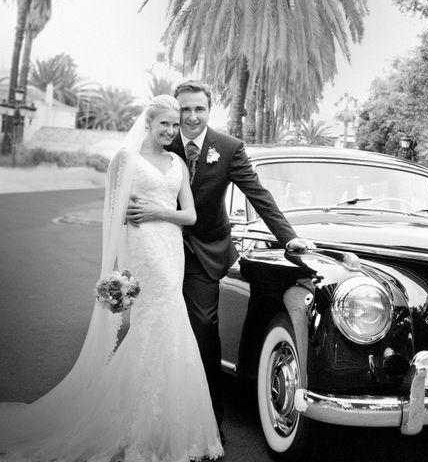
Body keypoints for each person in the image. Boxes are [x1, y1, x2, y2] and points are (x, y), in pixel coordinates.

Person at [0, 95, 224, 462]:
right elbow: (113, 217)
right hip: (143, 249)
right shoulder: (126, 160)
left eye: (174, 124)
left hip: (169, 247)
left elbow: (191, 217)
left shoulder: (179, 163)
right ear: (148, 123)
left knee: (170, 325)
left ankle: (169, 425)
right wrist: (117, 272)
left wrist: (157, 210)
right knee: (153, 323)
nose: (170, 130)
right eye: (163, 123)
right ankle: (138, 423)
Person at [166, 80, 315, 433]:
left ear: (209, 110)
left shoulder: (228, 148)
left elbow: (257, 194)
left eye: (198, 109)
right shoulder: (161, 140)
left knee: (204, 328)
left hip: (204, 252)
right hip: (162, 247)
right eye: (184, 109)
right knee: (158, 325)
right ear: (175, 111)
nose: (191, 117)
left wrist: (289, 238)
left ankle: (209, 421)